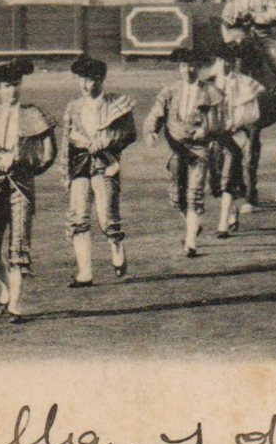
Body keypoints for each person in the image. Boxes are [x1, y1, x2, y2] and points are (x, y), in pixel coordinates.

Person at [0, 59, 58, 324]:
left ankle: (15, 304)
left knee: (18, 247)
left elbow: (49, 154)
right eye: (6, 86)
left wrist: (22, 163)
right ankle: (6, 288)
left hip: (21, 186)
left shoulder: (34, 115)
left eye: (16, 84)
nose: (12, 90)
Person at [146, 45, 245, 255]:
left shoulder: (211, 92)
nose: (188, 70)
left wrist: (206, 129)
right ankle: (193, 226)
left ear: (199, 68)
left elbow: (221, 121)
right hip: (177, 148)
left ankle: (191, 242)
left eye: (192, 65)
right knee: (177, 196)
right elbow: (157, 112)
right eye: (184, 65)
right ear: (179, 68)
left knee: (195, 194)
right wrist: (151, 130)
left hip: (200, 150)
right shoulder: (170, 91)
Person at [62, 55, 137, 287]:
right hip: (80, 164)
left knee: (107, 218)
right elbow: (67, 141)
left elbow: (129, 133)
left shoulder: (116, 104)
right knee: (79, 218)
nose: (85, 85)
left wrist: (104, 141)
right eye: (81, 80)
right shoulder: (73, 107)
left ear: (101, 80)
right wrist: (65, 173)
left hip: (105, 163)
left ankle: (117, 247)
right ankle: (85, 272)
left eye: (90, 80)